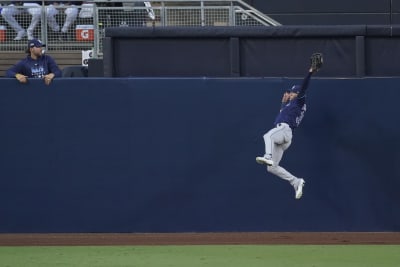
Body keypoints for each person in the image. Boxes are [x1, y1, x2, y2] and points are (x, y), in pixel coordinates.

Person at [255, 55, 322, 199]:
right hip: (285, 135)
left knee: (268, 136)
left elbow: (304, 87)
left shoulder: (299, 101)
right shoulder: (291, 106)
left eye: (292, 92)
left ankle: (268, 155)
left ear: (297, 94)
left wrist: (310, 71)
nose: (290, 94)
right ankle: (296, 182)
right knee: (271, 168)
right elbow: (281, 114)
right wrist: (283, 103)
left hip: (285, 130)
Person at [1, 1, 79, 41]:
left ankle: (62, 32)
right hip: (18, 4)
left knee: (40, 12)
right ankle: (21, 31)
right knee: (4, 11)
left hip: (34, 4)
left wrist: (69, 2)